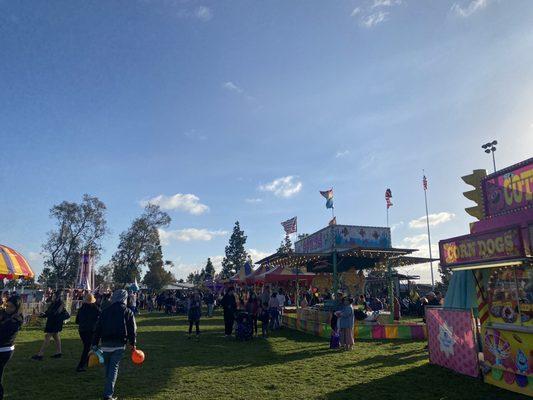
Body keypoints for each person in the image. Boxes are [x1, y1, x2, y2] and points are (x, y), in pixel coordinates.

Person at [92, 289, 137, 400]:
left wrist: (94, 343)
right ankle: (108, 394)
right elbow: (132, 329)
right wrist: (133, 343)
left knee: (108, 368)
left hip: (105, 343)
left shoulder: (105, 311)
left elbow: (98, 328)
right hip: (119, 344)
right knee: (113, 369)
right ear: (124, 299)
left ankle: (108, 389)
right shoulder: (128, 311)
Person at [32, 290, 67, 360]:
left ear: (58, 296)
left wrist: (46, 314)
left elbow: (56, 313)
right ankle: (58, 353)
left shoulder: (60, 303)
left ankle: (40, 354)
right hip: (52, 321)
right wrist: (42, 315)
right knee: (56, 336)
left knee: (47, 336)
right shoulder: (53, 303)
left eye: (54, 295)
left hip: (55, 322)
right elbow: (48, 312)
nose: (52, 296)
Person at [0, 295, 23, 399]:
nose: (7, 308)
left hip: (4, 350)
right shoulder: (6, 314)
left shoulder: (15, 320)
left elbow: (2, 333)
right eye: (7, 306)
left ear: (16, 308)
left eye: (10, 307)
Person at [75, 293, 101, 372]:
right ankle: (81, 366)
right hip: (91, 330)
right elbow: (101, 318)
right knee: (87, 347)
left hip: (82, 330)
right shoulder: (96, 309)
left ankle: (86, 361)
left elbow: (77, 321)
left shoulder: (81, 309)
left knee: (87, 346)